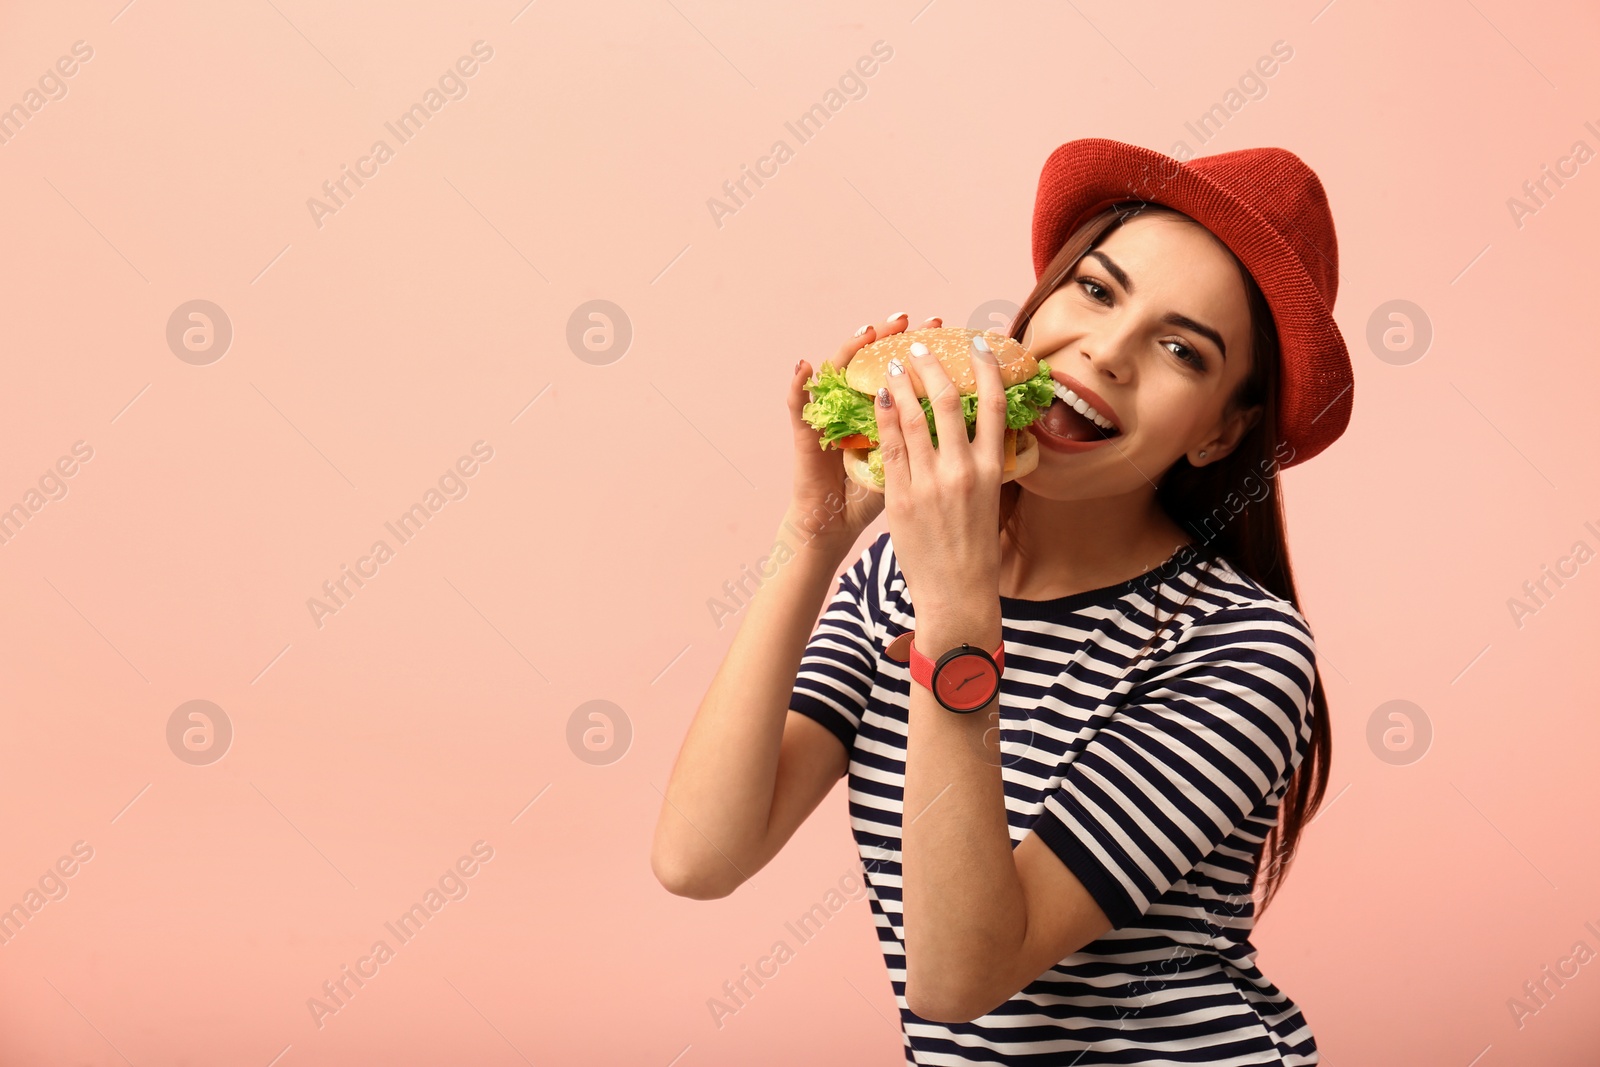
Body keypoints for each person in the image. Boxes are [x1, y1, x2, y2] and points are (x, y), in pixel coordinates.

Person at [651, 137, 1352, 1065]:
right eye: (1096, 291)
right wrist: (815, 535)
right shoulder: (895, 579)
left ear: (1221, 432)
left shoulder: (1242, 651)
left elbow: (959, 976)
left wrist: (956, 620)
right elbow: (699, 857)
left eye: (1181, 349)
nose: (1106, 351)